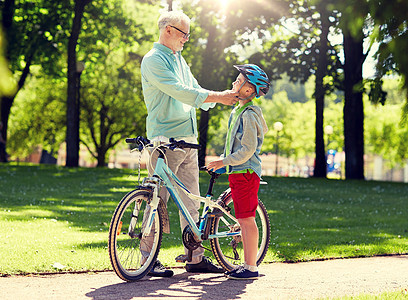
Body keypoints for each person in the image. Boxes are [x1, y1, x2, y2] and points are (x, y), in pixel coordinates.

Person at [140, 10, 239, 277]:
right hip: (164, 139)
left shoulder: (180, 60)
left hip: (188, 139)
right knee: (156, 199)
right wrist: (219, 96)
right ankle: (147, 260)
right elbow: (180, 92)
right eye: (184, 34)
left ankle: (195, 257)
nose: (186, 39)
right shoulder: (154, 61)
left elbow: (193, 87)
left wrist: (218, 98)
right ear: (168, 30)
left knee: (190, 199)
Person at [207, 64, 270, 280]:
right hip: (238, 171)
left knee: (246, 219)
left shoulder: (250, 115)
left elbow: (247, 149)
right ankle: (248, 264)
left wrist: (224, 161)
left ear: (248, 90)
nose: (234, 83)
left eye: (238, 80)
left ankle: (250, 267)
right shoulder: (239, 110)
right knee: (243, 217)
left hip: (245, 172)